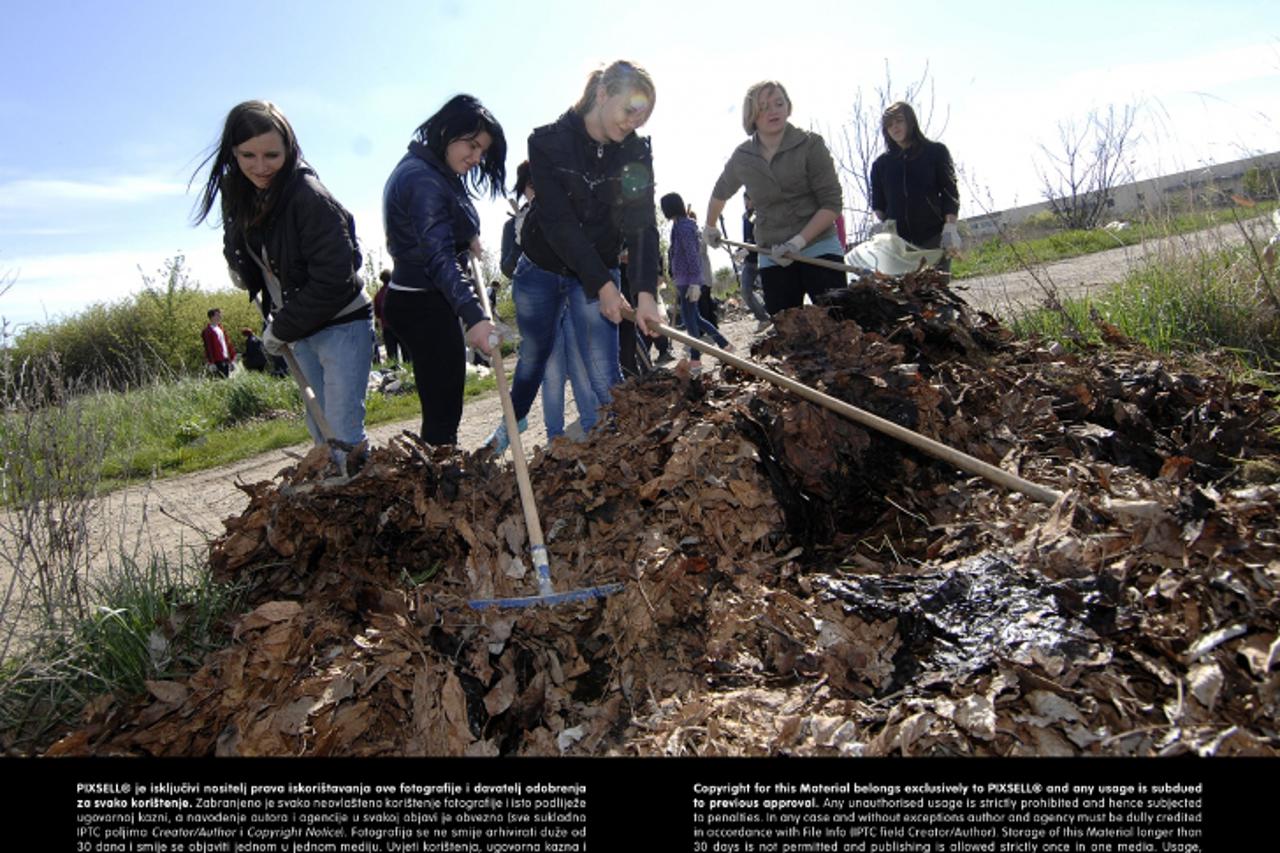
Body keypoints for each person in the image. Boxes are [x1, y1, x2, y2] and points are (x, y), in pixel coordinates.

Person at [489, 60, 664, 451]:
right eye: (629, 110)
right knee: (535, 354)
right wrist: (602, 284)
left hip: (599, 263)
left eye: (643, 117)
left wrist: (646, 294)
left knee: (602, 368)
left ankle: (621, 446)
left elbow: (641, 223)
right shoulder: (547, 142)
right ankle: (510, 425)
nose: (634, 123)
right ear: (602, 94)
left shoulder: (635, 151)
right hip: (542, 265)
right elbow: (558, 223)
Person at [193, 101, 373, 464]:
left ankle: (363, 505)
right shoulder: (241, 191)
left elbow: (335, 278)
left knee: (342, 430)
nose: (260, 167)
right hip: (297, 327)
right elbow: (241, 245)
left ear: (289, 149)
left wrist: (280, 328)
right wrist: (241, 268)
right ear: (233, 152)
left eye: (272, 155)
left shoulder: (310, 197)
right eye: (248, 155)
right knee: (320, 430)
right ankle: (336, 501)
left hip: (342, 325)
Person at [382, 94, 505, 446]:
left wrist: (469, 235)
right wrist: (474, 315)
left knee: (444, 402)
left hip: (425, 299)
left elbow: (445, 222)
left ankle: (440, 472)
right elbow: (437, 256)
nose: (476, 157)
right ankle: (439, 485)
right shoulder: (424, 179)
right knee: (442, 409)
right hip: (424, 303)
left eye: (482, 151)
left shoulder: (434, 170)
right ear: (448, 130)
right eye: (472, 144)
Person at [704, 80, 845, 316]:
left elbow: (832, 203)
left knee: (838, 325)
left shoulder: (811, 144)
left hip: (819, 248)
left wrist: (797, 242)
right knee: (787, 334)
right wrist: (710, 226)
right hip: (773, 254)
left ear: (788, 107)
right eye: (765, 106)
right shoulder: (743, 157)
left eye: (779, 103)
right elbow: (720, 192)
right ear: (752, 115)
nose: (774, 111)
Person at [501, 160, 598, 440]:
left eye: (540, 185)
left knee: (580, 367)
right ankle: (555, 436)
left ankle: (592, 425)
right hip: (541, 310)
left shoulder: (561, 215)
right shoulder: (513, 225)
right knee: (552, 374)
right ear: (523, 189)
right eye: (530, 187)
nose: (536, 192)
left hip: (570, 302)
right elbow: (507, 268)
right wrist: (522, 241)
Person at [869, 101, 961, 272]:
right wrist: (883, 227)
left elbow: (950, 192)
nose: (894, 127)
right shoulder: (881, 164)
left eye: (899, 121)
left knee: (936, 292)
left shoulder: (936, 152)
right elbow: (878, 204)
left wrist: (950, 227)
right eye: (889, 125)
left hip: (934, 237)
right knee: (905, 295)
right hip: (899, 243)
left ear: (911, 122)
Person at [663, 193, 732, 376]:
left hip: (689, 280)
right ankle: (724, 344)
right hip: (683, 279)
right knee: (696, 319)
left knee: (690, 320)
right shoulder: (678, 226)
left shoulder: (685, 227)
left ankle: (695, 358)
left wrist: (695, 283)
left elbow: (693, 256)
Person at [739, 191, 771, 330]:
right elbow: (746, 239)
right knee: (745, 291)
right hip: (749, 260)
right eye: (745, 200)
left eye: (748, 200)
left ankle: (776, 321)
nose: (746, 203)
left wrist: (749, 247)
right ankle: (763, 318)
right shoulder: (745, 217)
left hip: (763, 258)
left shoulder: (761, 214)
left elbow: (762, 239)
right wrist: (740, 251)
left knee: (770, 292)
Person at [373, 269, 408, 364]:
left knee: (392, 357)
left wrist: (382, 327)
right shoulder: (398, 291)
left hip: (387, 327)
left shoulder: (378, 295)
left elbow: (378, 315)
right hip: (401, 326)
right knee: (407, 355)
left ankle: (395, 375)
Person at [201, 308, 237, 378]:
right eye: (217, 315)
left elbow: (227, 344)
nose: (220, 316)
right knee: (221, 380)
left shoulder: (221, 329)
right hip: (217, 360)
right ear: (211, 317)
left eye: (220, 315)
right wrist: (211, 363)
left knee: (226, 379)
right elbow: (208, 347)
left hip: (226, 359)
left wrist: (231, 359)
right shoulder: (207, 331)